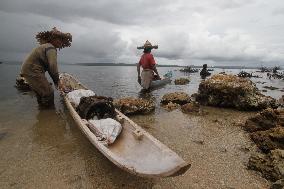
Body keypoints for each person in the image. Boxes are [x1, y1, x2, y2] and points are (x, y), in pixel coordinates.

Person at [19, 27, 72, 107]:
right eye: (59, 39)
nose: (60, 42)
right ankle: (50, 115)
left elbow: (51, 69)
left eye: (62, 40)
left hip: (28, 70)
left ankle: (42, 114)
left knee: (41, 93)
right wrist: (57, 82)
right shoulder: (51, 48)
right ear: (52, 39)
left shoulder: (46, 46)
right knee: (48, 93)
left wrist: (56, 82)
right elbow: (53, 66)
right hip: (32, 70)